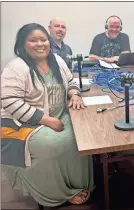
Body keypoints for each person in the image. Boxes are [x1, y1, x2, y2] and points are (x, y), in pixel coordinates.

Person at [1, 23, 94, 207]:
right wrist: (47, 120)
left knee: (83, 136)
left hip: (59, 115)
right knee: (54, 144)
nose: (40, 44)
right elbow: (10, 101)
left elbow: (71, 82)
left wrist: (74, 94)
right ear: (22, 44)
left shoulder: (57, 60)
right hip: (24, 123)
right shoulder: (16, 67)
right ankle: (59, 193)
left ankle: (79, 184)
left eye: (43, 39)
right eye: (33, 40)